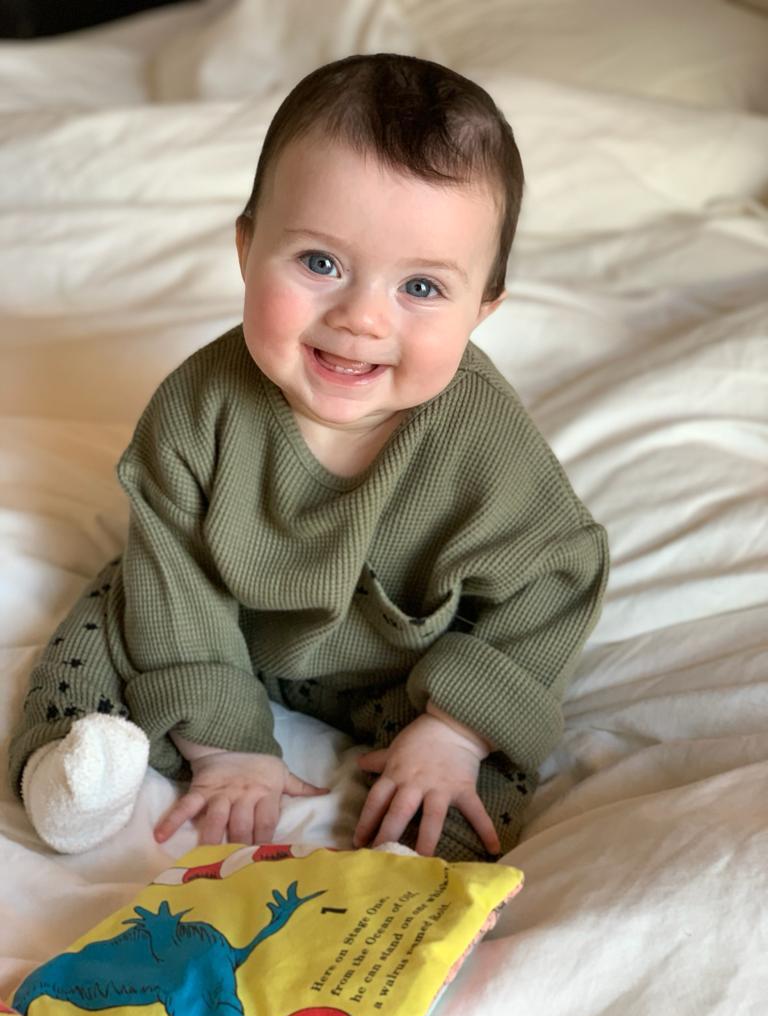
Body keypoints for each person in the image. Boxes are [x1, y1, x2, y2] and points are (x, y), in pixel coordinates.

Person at [8, 53, 609, 861]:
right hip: (223, 628)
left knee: (478, 746)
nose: (361, 318)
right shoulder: (197, 409)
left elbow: (556, 578)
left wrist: (456, 730)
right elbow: (177, 579)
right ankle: (71, 768)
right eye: (320, 263)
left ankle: (430, 859)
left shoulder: (483, 439)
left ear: (482, 308)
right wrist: (226, 747)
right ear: (247, 248)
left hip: (400, 665)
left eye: (421, 288)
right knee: (116, 602)